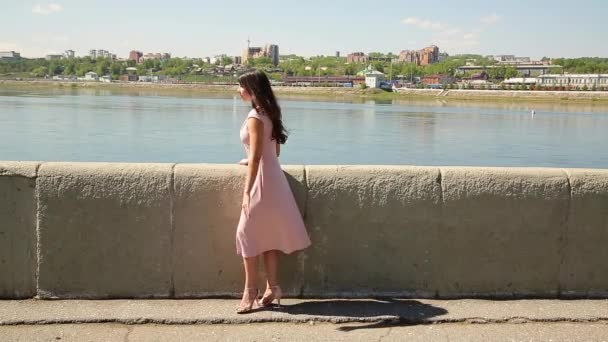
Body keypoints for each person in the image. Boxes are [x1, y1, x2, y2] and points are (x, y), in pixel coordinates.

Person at [235, 70, 311, 314]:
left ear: (252, 89)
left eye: (241, 86)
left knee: (246, 235)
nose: (238, 91)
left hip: (261, 181)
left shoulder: (254, 117)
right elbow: (274, 154)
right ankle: (274, 287)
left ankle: (250, 291)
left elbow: (257, 158)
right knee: (268, 237)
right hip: (275, 180)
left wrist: (247, 192)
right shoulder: (270, 113)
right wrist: (251, 158)